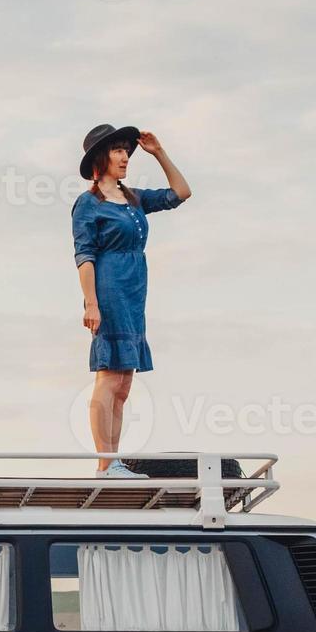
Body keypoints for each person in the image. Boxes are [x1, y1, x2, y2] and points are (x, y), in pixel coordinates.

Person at [71, 123, 191, 477]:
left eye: (126, 150)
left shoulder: (134, 198)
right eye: (117, 150)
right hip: (108, 288)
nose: (125, 157)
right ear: (99, 159)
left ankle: (114, 461)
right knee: (108, 377)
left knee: (124, 383)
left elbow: (181, 192)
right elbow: (84, 255)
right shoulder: (89, 204)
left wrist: (159, 153)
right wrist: (91, 303)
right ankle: (106, 463)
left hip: (135, 291)